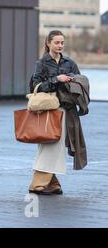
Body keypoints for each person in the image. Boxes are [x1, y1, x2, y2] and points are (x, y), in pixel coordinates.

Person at [29, 30, 88, 195]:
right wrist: (57, 79)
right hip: (49, 110)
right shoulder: (41, 63)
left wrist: (71, 79)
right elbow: (36, 86)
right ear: (48, 43)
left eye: (62, 42)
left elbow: (80, 82)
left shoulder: (70, 62)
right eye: (57, 42)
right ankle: (37, 184)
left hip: (67, 110)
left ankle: (52, 184)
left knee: (56, 145)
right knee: (50, 144)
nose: (60, 45)